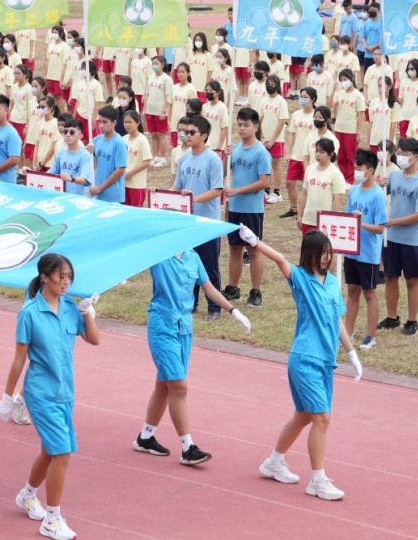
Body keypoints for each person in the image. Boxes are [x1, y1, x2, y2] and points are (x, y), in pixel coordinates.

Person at [246, 226, 361, 501]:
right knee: (322, 418)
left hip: (326, 361)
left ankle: (273, 462)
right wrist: (256, 242)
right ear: (309, 255)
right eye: (321, 253)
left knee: (305, 416)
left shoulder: (333, 282)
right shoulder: (299, 278)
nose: (326, 258)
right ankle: (317, 480)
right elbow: (280, 260)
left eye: (328, 253)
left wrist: (352, 353)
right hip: (304, 358)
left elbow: (337, 320)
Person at [0, 254, 101, 540]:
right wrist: (8, 397)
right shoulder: (29, 313)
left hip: (65, 392)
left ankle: (27, 495)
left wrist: (86, 313)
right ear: (45, 276)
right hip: (40, 393)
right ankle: (52, 519)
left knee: (50, 450)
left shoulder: (70, 307)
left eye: (69, 276)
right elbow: (19, 359)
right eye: (60, 276)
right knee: (62, 452)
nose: (66, 282)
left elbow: (95, 339)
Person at [134, 247, 250, 463]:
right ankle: (188, 448)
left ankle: (145, 437)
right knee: (179, 386)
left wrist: (233, 310)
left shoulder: (193, 257)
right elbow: (133, 256)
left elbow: (208, 288)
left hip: (184, 328)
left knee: (164, 385)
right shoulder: (158, 253)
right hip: (162, 325)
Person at [166, 116, 225, 317]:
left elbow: (217, 190)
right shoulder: (183, 159)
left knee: (209, 265)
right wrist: (163, 194)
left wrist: (193, 200)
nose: (187, 135)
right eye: (185, 132)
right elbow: (178, 186)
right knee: (187, 263)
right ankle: (191, 302)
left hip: (207, 221)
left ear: (204, 135)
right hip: (187, 221)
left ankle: (215, 307)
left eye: (192, 132)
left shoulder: (213, 159)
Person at [378, 138, 418, 335]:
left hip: (411, 240)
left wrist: (393, 222)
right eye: (399, 152)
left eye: (404, 153)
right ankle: (392, 317)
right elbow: (382, 191)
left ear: (416, 157)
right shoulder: (394, 177)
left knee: (412, 280)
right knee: (391, 277)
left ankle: (412, 321)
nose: (400, 156)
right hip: (391, 238)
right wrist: (380, 183)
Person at [223, 108, 271, 307]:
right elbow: (225, 171)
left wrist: (237, 191)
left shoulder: (261, 152)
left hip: (251, 209)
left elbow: (264, 182)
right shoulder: (235, 149)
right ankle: (233, 289)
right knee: (234, 248)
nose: (241, 129)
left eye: (246, 125)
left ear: (256, 126)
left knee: (253, 250)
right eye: (239, 125)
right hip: (234, 207)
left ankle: (256, 291)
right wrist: (225, 157)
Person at [346, 149, 388, 350]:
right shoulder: (354, 191)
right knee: (352, 290)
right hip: (351, 250)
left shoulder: (378, 195)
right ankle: (348, 332)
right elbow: (346, 219)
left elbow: (380, 227)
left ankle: (371, 336)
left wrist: (361, 223)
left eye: (359, 167)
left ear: (370, 171)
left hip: (368, 252)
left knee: (369, 292)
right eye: (355, 167)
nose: (356, 171)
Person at [297, 138, 345, 236]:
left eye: (322, 152)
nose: (318, 154)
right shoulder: (310, 169)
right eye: (317, 151)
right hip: (308, 219)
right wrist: (300, 215)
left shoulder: (335, 173)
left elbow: (337, 200)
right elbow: (304, 194)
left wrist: (333, 219)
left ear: (331, 154)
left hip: (325, 221)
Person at [281, 87, 316, 219]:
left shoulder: (316, 115)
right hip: (296, 155)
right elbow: (291, 134)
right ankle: (294, 208)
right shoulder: (296, 115)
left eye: (306, 97)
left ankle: (306, 209)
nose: (303, 99)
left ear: (313, 100)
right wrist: (288, 152)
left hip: (310, 156)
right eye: (301, 96)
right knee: (289, 182)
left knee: (307, 186)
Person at [259, 75, 289, 204]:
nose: (269, 86)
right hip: (264, 139)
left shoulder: (281, 101)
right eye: (268, 83)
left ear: (277, 85)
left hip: (276, 140)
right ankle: (265, 190)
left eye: (272, 83)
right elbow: (260, 119)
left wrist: (273, 140)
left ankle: (276, 192)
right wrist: (261, 137)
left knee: (275, 165)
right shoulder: (264, 100)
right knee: (265, 166)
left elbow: (282, 121)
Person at [89, 105, 127, 203]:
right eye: (99, 122)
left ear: (114, 122)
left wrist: (101, 187)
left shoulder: (119, 143)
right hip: (97, 193)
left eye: (105, 122)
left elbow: (120, 170)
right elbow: (93, 166)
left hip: (112, 196)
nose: (101, 125)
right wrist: (91, 154)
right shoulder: (96, 140)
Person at [47, 117, 92, 196]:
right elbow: (50, 174)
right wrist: (29, 173)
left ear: (80, 135)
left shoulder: (85, 155)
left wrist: (72, 178)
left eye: (72, 132)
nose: (68, 135)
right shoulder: (60, 154)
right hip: (62, 197)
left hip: (79, 199)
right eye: (65, 132)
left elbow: (86, 180)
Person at [121, 110, 152, 207]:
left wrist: (131, 172)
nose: (127, 125)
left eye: (130, 122)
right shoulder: (123, 139)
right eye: (125, 122)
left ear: (138, 123)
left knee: (135, 211)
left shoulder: (142, 140)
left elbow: (147, 161)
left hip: (137, 184)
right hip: (123, 182)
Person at [170, 63, 197, 149]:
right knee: (175, 148)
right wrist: (169, 120)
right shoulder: (173, 88)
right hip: (175, 123)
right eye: (178, 72)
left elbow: (194, 108)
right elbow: (170, 104)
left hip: (186, 124)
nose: (180, 74)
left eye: (183, 72)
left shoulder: (191, 89)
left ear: (188, 73)